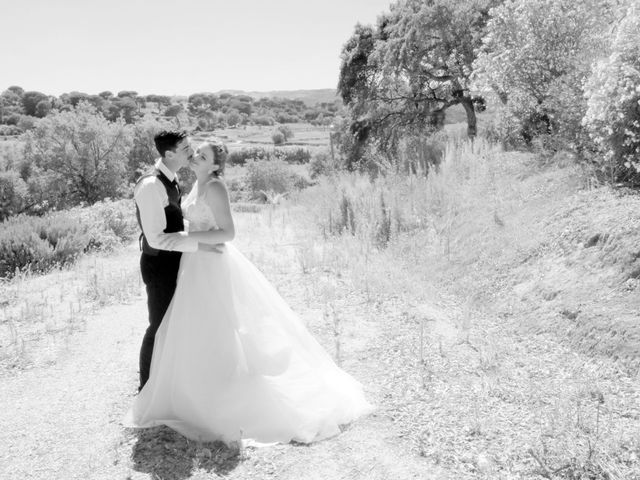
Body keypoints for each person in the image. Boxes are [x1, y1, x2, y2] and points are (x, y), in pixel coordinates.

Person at [125, 140, 373, 445]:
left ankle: (228, 386)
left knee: (222, 324)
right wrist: (191, 241)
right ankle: (196, 384)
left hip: (212, 261)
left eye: (203, 155)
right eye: (195, 151)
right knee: (195, 326)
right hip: (194, 261)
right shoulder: (190, 185)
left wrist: (191, 238)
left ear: (215, 165)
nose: (196, 155)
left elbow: (228, 233)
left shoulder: (215, 187)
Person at [133, 130, 221, 392]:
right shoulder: (151, 185)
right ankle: (146, 389)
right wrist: (199, 243)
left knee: (176, 322)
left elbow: (173, 220)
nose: (191, 152)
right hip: (159, 265)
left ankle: (170, 379)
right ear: (169, 154)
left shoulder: (171, 179)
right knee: (158, 325)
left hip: (176, 260)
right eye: (185, 148)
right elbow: (157, 238)